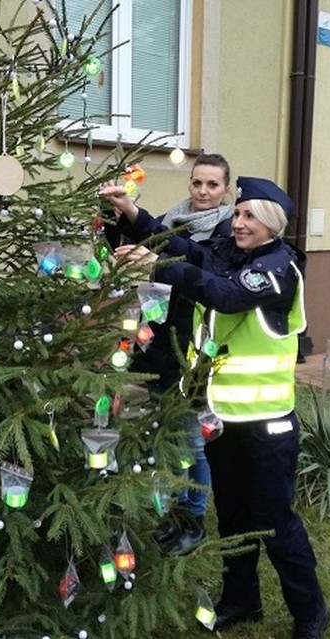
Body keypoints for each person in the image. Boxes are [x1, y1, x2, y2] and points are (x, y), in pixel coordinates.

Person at [99, 176, 330, 639]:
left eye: (248, 216)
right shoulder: (233, 255)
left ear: (270, 225)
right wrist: (131, 214)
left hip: (268, 427)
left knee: (274, 523)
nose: (237, 222)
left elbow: (222, 294)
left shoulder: (277, 269)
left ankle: (311, 613)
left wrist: (156, 265)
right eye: (238, 213)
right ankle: (242, 599)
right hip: (223, 419)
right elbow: (192, 253)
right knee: (232, 518)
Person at [104, 153, 233, 556]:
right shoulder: (172, 220)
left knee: (192, 439)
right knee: (166, 433)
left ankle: (194, 517)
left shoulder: (228, 231)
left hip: (196, 347)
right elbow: (145, 241)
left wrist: (153, 254)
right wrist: (116, 217)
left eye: (213, 184)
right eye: (197, 183)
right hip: (159, 338)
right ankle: (174, 512)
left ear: (226, 189)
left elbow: (196, 266)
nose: (203, 192)